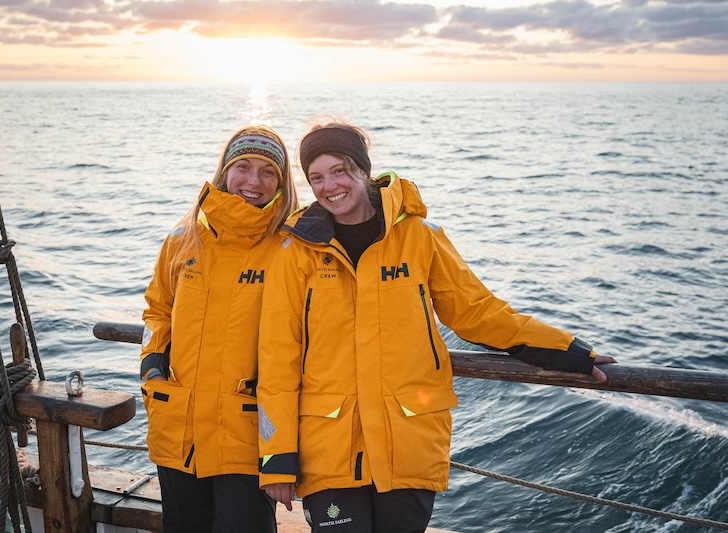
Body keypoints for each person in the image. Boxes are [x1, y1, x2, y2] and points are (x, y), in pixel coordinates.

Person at [256, 122, 616, 532]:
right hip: (328, 447)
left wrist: (566, 350)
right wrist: (277, 456)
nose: (329, 186)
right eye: (316, 177)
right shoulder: (295, 250)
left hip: (406, 441)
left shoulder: (420, 237)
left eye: (339, 170)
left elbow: (477, 311)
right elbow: (277, 357)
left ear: (363, 170)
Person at [140, 125, 300, 532]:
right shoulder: (182, 239)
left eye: (268, 172)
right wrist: (152, 364)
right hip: (180, 427)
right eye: (243, 166)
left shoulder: (290, 246)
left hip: (248, 435)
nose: (253, 181)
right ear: (224, 171)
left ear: (282, 183)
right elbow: (157, 309)